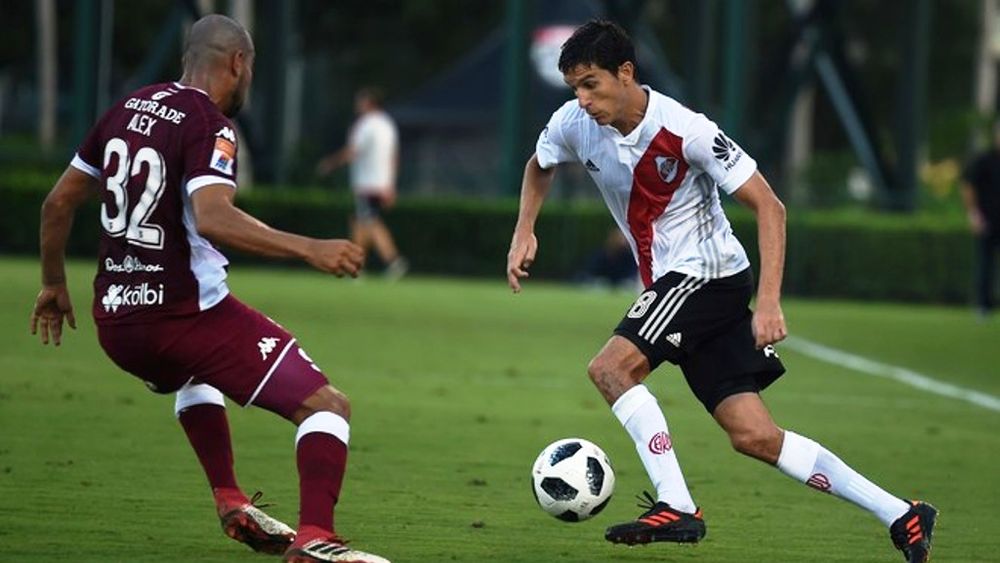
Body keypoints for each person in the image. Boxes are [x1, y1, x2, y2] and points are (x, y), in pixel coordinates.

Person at [505, 20, 936, 562]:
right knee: (753, 435)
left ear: (626, 72)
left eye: (592, 83)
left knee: (610, 369)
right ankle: (902, 513)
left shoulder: (687, 131)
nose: (583, 99)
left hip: (705, 277)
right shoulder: (573, 122)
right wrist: (525, 228)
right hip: (681, 286)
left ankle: (677, 504)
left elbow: (770, 207)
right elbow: (538, 165)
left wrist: (773, 300)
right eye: (575, 88)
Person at [30, 15, 388, 563]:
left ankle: (229, 498)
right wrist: (309, 248)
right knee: (326, 407)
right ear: (239, 63)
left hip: (118, 326)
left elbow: (57, 202)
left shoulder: (127, 108)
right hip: (186, 317)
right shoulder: (210, 123)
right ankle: (316, 537)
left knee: (191, 375)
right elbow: (216, 218)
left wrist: (54, 283)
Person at [316, 87, 408, 279]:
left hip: (367, 183)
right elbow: (394, 157)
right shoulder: (387, 124)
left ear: (368, 103)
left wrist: (330, 164)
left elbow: (353, 151)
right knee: (363, 222)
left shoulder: (365, 124)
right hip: (381, 183)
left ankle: (390, 261)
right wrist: (390, 185)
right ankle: (359, 264)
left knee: (368, 223)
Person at [961, 123, 1000, 318]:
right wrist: (974, 215)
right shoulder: (984, 160)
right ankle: (983, 305)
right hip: (988, 220)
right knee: (985, 263)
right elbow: (969, 187)